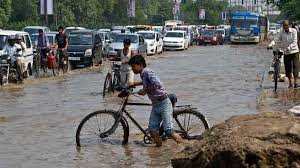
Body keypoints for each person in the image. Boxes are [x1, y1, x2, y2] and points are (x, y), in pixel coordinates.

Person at [128, 55, 186, 147]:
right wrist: (135, 84)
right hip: (155, 105)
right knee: (152, 131)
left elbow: (158, 84)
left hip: (163, 103)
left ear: (140, 65)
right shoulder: (143, 74)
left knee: (169, 131)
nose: (132, 69)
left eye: (133, 66)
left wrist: (145, 90)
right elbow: (147, 82)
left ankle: (188, 147)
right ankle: (158, 151)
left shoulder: (148, 72)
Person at [275, 20, 300, 88]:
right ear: (282, 26)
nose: (285, 27)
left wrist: (288, 48)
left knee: (296, 67)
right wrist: (279, 47)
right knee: (288, 68)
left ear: (288, 25)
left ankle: (295, 82)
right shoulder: (281, 32)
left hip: (294, 51)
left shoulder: (294, 31)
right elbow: (277, 39)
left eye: (286, 25)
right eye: (284, 25)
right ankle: (290, 83)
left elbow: (295, 42)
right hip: (286, 52)